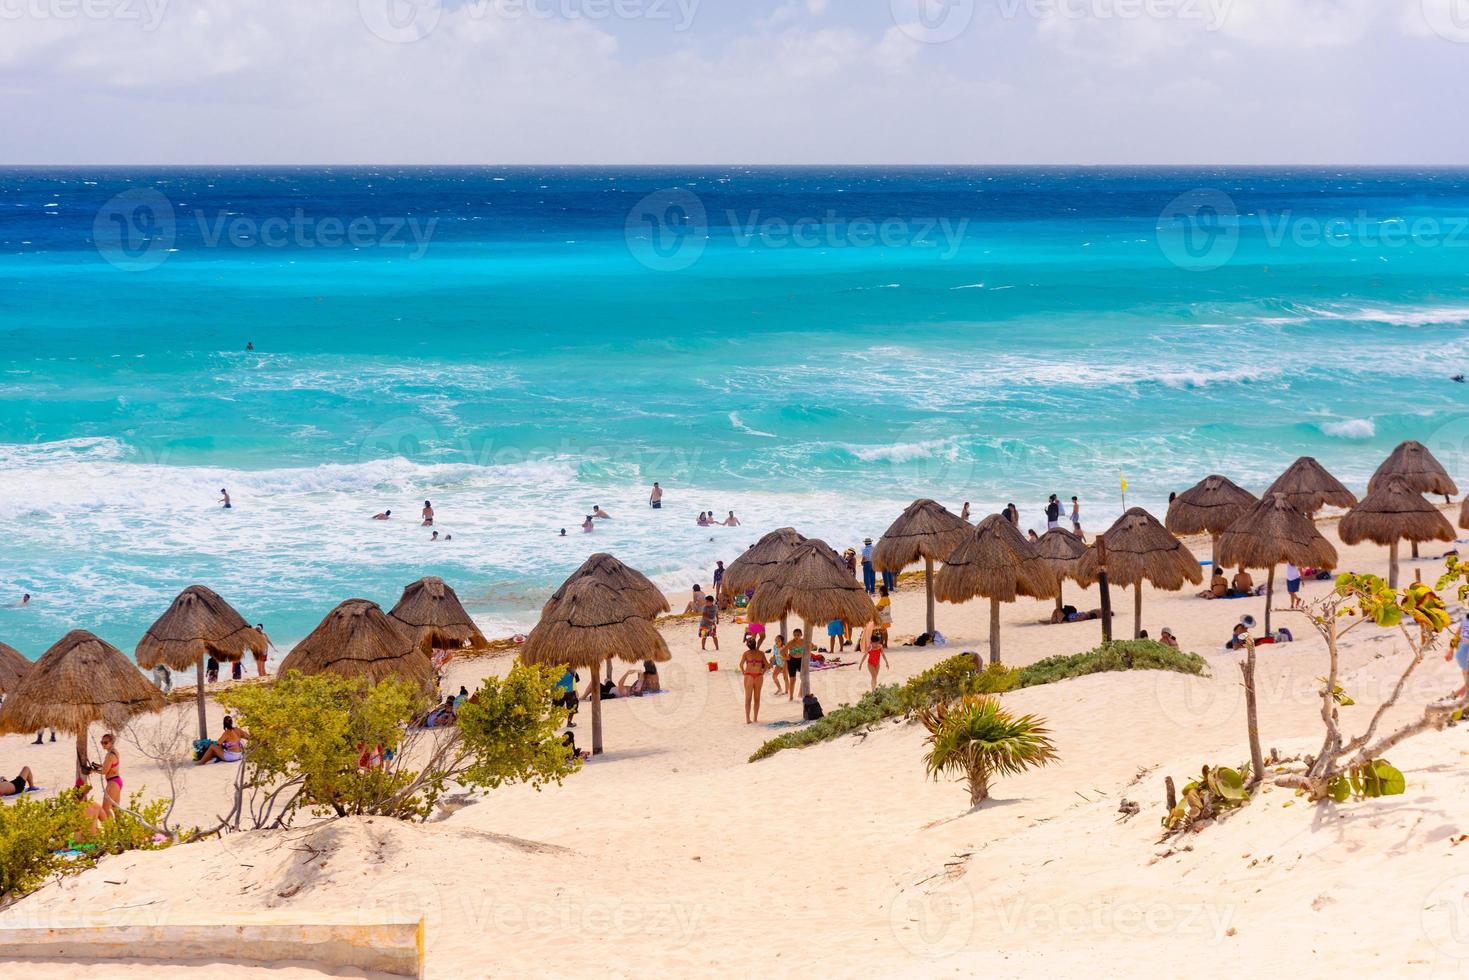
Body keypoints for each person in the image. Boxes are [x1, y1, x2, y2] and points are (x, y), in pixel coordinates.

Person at [739, 638, 769, 724]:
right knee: (757, 698)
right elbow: (766, 665)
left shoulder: (746, 653)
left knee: (748, 699)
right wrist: (762, 672)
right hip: (758, 676)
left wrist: (743, 672)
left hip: (749, 675)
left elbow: (741, 664)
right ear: (755, 644)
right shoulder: (761, 653)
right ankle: (755, 718)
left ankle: (748, 719)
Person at [98, 733, 122, 819]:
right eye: (102, 742)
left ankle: (111, 830)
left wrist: (91, 770)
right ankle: (122, 829)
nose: (103, 744)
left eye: (105, 742)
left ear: (111, 742)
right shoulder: (114, 752)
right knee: (115, 808)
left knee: (105, 808)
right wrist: (98, 766)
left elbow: (104, 771)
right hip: (117, 781)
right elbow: (108, 766)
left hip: (113, 782)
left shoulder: (110, 755)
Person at [1447, 608, 1469, 700]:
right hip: (1466, 654)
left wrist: (1450, 651)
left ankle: (1452, 698)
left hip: (1460, 654)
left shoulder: (1464, 621)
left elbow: (1456, 637)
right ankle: (1452, 698)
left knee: (1467, 683)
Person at [781, 630, 808, 701]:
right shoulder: (791, 642)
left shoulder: (803, 641)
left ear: (801, 635)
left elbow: (812, 645)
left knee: (804, 678)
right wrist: (786, 657)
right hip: (792, 661)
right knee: (793, 680)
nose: (796, 636)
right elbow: (782, 651)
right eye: (795, 635)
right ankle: (791, 697)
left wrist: (807, 653)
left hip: (800, 661)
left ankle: (801, 693)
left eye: (798, 635)